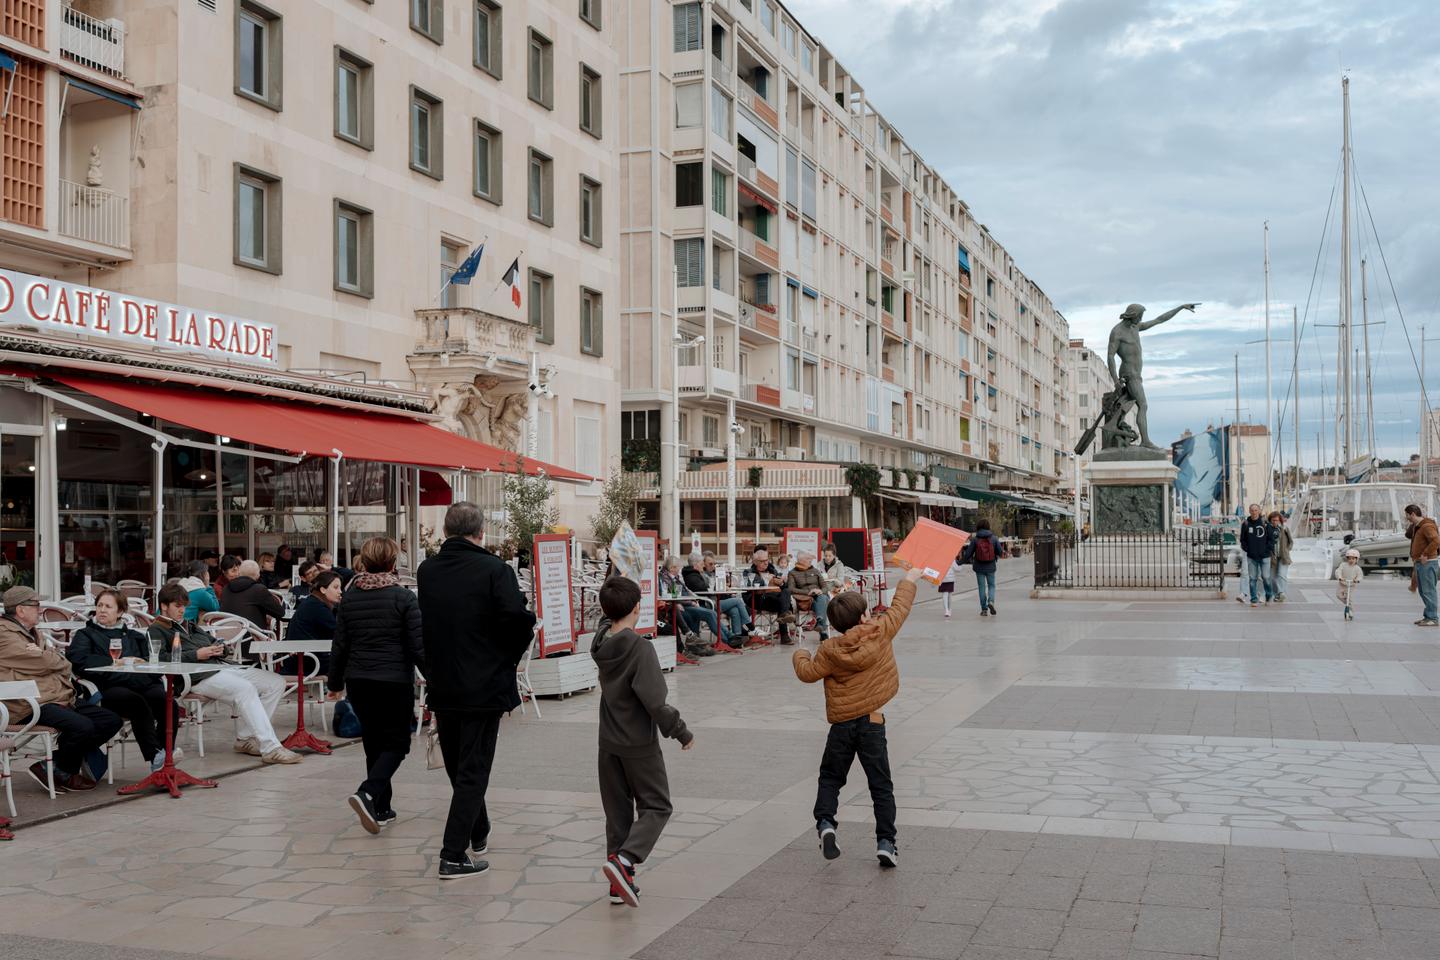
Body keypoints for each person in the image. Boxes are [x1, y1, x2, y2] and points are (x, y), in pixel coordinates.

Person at [417, 501, 536, 880]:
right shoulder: (494, 570)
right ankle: (452, 853)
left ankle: (478, 829)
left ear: (446, 531)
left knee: (458, 764)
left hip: (444, 681)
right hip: (483, 683)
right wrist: (510, 654)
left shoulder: (427, 571)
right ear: (480, 532)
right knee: (473, 768)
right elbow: (515, 621)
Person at [793, 567, 923, 869]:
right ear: (864, 616)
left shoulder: (829, 649)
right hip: (872, 722)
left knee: (830, 778)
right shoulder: (881, 631)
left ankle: (826, 823)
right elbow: (900, 607)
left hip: (841, 725)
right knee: (881, 785)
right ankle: (886, 843)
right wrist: (909, 578)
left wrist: (800, 654)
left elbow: (808, 673)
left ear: (836, 625)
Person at [591, 576, 694, 908]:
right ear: (637, 607)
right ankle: (625, 861)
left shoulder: (600, 641)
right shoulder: (639, 648)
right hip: (638, 743)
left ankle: (619, 882)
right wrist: (681, 731)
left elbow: (611, 617)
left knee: (618, 814)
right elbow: (655, 702)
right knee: (657, 806)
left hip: (608, 742)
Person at [329, 537, 425, 834]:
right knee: (398, 742)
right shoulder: (404, 597)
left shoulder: (350, 597)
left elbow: (340, 644)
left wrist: (335, 681)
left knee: (374, 742)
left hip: (359, 679)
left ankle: (381, 808)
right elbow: (417, 645)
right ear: (393, 563)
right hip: (393, 679)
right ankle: (368, 793)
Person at [148, 583, 301, 765]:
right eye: (177, 606)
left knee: (275, 683)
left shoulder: (189, 626)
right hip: (197, 677)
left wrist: (221, 649)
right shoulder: (156, 629)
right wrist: (196, 654)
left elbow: (218, 643)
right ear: (164, 606)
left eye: (184, 606)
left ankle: (245, 738)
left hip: (222, 667)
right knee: (245, 689)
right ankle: (270, 747)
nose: (182, 610)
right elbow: (159, 659)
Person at [0, 586, 123, 792]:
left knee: (110, 720)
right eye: (36, 605)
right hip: (28, 703)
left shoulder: (31, 632)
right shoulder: (4, 634)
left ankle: (53, 766)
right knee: (82, 726)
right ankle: (66, 771)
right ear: (21, 610)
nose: (40, 609)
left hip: (56, 696)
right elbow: (44, 662)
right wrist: (48, 658)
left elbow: (63, 662)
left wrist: (46, 657)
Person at [68, 589, 180, 773]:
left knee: (167, 703)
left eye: (108, 606)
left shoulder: (135, 636)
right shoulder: (85, 635)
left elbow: (150, 663)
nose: (102, 610)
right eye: (99, 605)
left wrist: (141, 666)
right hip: (107, 689)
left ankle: (164, 754)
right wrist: (114, 662)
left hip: (139, 683)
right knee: (136, 702)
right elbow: (79, 662)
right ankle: (155, 756)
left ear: (120, 612)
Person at [685, 551, 750, 651]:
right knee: (738, 601)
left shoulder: (703, 573)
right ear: (696, 564)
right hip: (708, 603)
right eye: (705, 563)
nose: (703, 565)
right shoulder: (696, 575)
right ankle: (748, 625)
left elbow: (710, 589)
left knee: (734, 610)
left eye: (714, 564)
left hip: (713, 601)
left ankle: (737, 637)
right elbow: (704, 589)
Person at [658, 556, 718, 660]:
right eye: (678, 567)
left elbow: (685, 590)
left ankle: (691, 643)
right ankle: (690, 640)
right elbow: (668, 596)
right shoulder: (664, 578)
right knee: (707, 613)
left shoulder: (675, 577)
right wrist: (689, 602)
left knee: (700, 613)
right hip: (675, 607)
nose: (679, 570)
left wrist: (695, 598)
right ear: (672, 568)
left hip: (682, 605)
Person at [743, 546, 793, 644]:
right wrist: (769, 584)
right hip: (758, 600)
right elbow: (754, 590)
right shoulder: (749, 572)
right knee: (782, 604)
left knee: (786, 592)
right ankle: (784, 633)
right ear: (755, 562)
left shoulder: (772, 570)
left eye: (767, 560)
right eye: (762, 561)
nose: (766, 563)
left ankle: (783, 615)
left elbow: (785, 586)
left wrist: (781, 583)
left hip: (773, 600)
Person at [220, 559, 285, 632]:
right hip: (252, 638)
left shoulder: (226, 589)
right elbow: (280, 613)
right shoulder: (258, 589)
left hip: (228, 637)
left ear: (239, 573)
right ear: (258, 575)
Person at [960, 520, 1005, 617]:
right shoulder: (994, 538)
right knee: (991, 585)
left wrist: (959, 562)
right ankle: (991, 602)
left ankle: (984, 610)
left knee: (982, 587)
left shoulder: (975, 539)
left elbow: (968, 554)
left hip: (979, 567)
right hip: (991, 567)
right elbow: (1001, 552)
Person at [1406, 504, 1439, 627]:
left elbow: (1436, 540)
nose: (1407, 518)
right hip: (1421, 563)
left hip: (1428, 562)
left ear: (1412, 514)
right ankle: (1428, 616)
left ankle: (1433, 618)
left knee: (1428, 591)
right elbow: (1408, 535)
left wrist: (1425, 554)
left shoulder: (1426, 526)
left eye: (1407, 515)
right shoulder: (1418, 526)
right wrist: (1413, 524)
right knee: (1423, 591)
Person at [786, 552, 830, 641]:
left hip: (819, 597)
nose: (811, 561)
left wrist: (820, 591)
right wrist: (808, 592)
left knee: (822, 597)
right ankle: (823, 632)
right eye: (808, 559)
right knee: (823, 599)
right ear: (801, 561)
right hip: (805, 601)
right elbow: (791, 589)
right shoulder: (792, 573)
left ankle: (820, 623)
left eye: (810, 559)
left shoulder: (815, 571)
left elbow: (825, 586)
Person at [288, 571, 342, 642]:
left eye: (340, 588)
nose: (340, 591)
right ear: (323, 590)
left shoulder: (314, 601)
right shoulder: (317, 607)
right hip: (306, 651)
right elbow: (339, 633)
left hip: (303, 649)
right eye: (336, 587)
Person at [1238, 504, 1275, 608]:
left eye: (1256, 510)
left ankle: (1268, 596)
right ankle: (1253, 599)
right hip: (1251, 556)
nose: (1254, 512)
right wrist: (1248, 549)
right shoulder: (1245, 524)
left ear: (1259, 511)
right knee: (1252, 578)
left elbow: (1271, 540)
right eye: (1252, 510)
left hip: (1265, 556)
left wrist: (1267, 550)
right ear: (1249, 511)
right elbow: (1242, 540)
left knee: (1266, 577)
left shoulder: (1266, 524)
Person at [1268, 511, 1293, 603]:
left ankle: (1281, 592)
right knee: (1272, 578)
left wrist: (1287, 550)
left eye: (1277, 520)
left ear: (1280, 521)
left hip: (1283, 557)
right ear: (1270, 520)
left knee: (1282, 575)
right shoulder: (1268, 529)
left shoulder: (1285, 529)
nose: (1275, 522)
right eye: (1273, 520)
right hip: (1272, 557)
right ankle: (1277, 594)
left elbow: (1291, 542)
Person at [1337, 548, 1363, 621]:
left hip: (1351, 585)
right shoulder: (1343, 565)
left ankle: (1351, 611)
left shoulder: (1357, 568)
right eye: (1349, 559)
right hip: (1342, 583)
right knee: (1338, 595)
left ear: (1356, 559)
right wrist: (1340, 577)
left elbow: (1360, 575)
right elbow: (1338, 571)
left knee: (1350, 598)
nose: (1351, 560)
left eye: (1353, 559)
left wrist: (1357, 580)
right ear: (1347, 559)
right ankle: (1347, 604)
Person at [938, 551, 963, 619]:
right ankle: (949, 609)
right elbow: (958, 569)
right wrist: (960, 563)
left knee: (945, 594)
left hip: (942, 579)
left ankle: (946, 610)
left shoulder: (939, 559)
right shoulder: (951, 559)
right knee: (949, 594)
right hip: (950, 579)